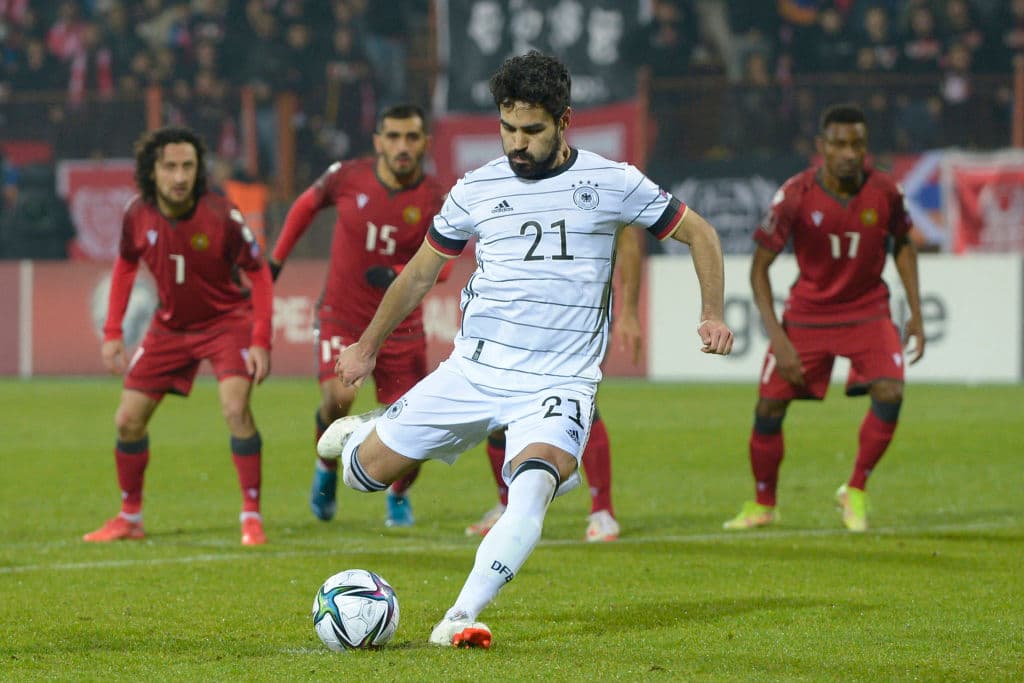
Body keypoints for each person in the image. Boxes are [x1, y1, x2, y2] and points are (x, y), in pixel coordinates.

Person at [316, 51, 734, 648]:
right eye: (508, 128)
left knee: (531, 487)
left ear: (564, 121)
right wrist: (364, 348)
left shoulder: (612, 182)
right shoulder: (476, 188)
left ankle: (459, 617)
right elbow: (417, 275)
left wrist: (711, 313)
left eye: (532, 130)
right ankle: (376, 427)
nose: (518, 142)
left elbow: (702, 233)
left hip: (558, 385)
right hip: (473, 371)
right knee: (362, 477)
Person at [723, 103, 925, 534]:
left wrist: (917, 312)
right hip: (808, 315)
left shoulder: (886, 191)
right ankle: (763, 503)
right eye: (839, 144)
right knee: (769, 407)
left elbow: (903, 244)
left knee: (890, 391)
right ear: (822, 147)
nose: (849, 153)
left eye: (857, 144)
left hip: (868, 311)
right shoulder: (796, 194)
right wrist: (778, 338)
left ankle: (855, 489)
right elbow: (759, 269)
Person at [84, 126, 273, 546]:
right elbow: (125, 265)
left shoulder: (222, 213)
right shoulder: (137, 213)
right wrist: (113, 331)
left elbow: (258, 273)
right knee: (127, 419)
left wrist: (261, 339)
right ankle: (129, 517)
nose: (180, 176)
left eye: (187, 165)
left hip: (226, 322)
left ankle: (251, 515)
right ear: (152, 171)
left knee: (235, 407)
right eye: (170, 166)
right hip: (170, 325)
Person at [268, 104, 449, 528]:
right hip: (342, 317)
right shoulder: (348, 176)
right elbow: (304, 206)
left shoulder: (436, 198)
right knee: (339, 398)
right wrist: (275, 261)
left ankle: (400, 496)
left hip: (401, 328)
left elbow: (446, 266)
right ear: (378, 141)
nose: (402, 147)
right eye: (393, 137)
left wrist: (396, 275)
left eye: (411, 138)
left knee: (411, 424)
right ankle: (326, 469)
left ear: (424, 142)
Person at [464, 228, 645, 543]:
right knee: (499, 407)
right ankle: (507, 506)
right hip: (516, 307)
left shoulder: (597, 182)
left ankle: (603, 511)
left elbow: (628, 238)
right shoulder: (512, 184)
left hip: (578, 307)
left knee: (577, 402)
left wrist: (629, 309)